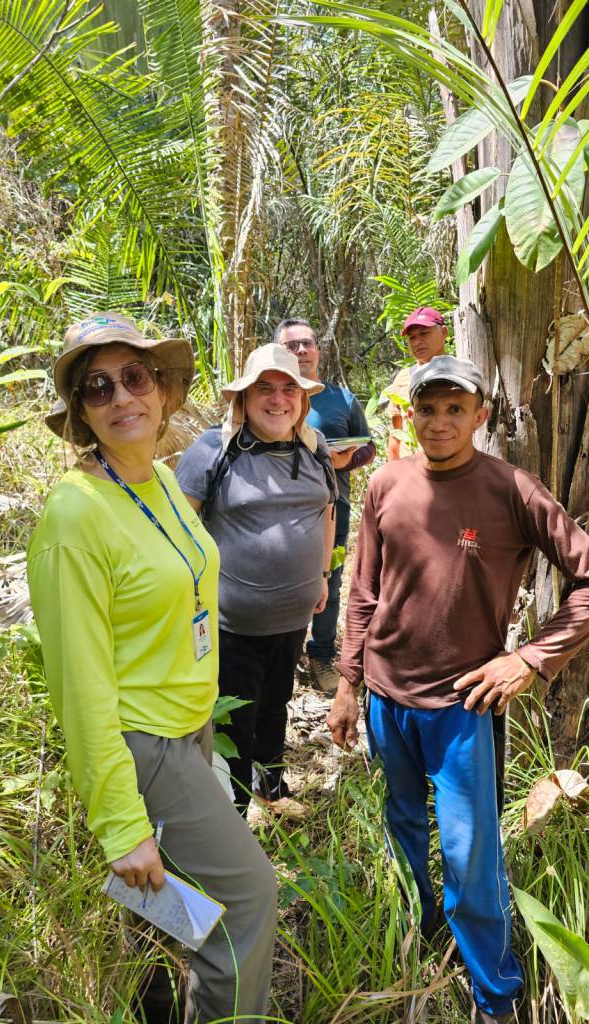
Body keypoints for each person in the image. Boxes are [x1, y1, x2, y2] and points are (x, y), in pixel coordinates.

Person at [327, 355, 589, 1023]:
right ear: (410, 413)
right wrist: (349, 682)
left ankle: (497, 996)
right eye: (427, 408)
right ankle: (423, 939)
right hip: (386, 698)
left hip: (461, 708)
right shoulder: (386, 485)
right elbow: (364, 590)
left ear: (481, 416)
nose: (438, 422)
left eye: (454, 409)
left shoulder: (509, 490)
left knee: (470, 853)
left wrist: (529, 660)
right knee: (403, 823)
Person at [27, 313, 277, 1024]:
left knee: (167, 913)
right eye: (97, 387)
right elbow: (80, 687)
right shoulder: (75, 519)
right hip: (142, 744)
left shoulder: (159, 480)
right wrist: (120, 824)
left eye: (134, 377)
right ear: (80, 412)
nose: (121, 397)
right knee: (249, 898)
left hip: (187, 729)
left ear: (163, 389)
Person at [176, 343, 337, 815]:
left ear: (303, 399)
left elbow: (326, 510)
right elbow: (180, 531)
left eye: (289, 388)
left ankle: (271, 788)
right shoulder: (213, 449)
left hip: (293, 616)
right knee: (234, 718)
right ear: (242, 398)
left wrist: (323, 574)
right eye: (263, 388)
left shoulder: (314, 446)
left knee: (275, 703)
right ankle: (233, 810)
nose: (278, 398)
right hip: (230, 622)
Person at [274, 316, 376, 694]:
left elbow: (368, 446)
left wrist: (347, 460)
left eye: (308, 343)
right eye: (291, 345)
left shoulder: (341, 399)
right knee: (280, 575)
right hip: (278, 506)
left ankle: (319, 653)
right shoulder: (270, 396)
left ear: (318, 350)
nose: (301, 350)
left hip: (334, 503)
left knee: (329, 578)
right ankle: (282, 650)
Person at [384, 306, 448, 461]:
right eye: (412, 337)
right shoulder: (403, 379)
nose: (417, 342)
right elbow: (396, 433)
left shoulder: (462, 374)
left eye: (424, 334)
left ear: (444, 332)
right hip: (412, 471)